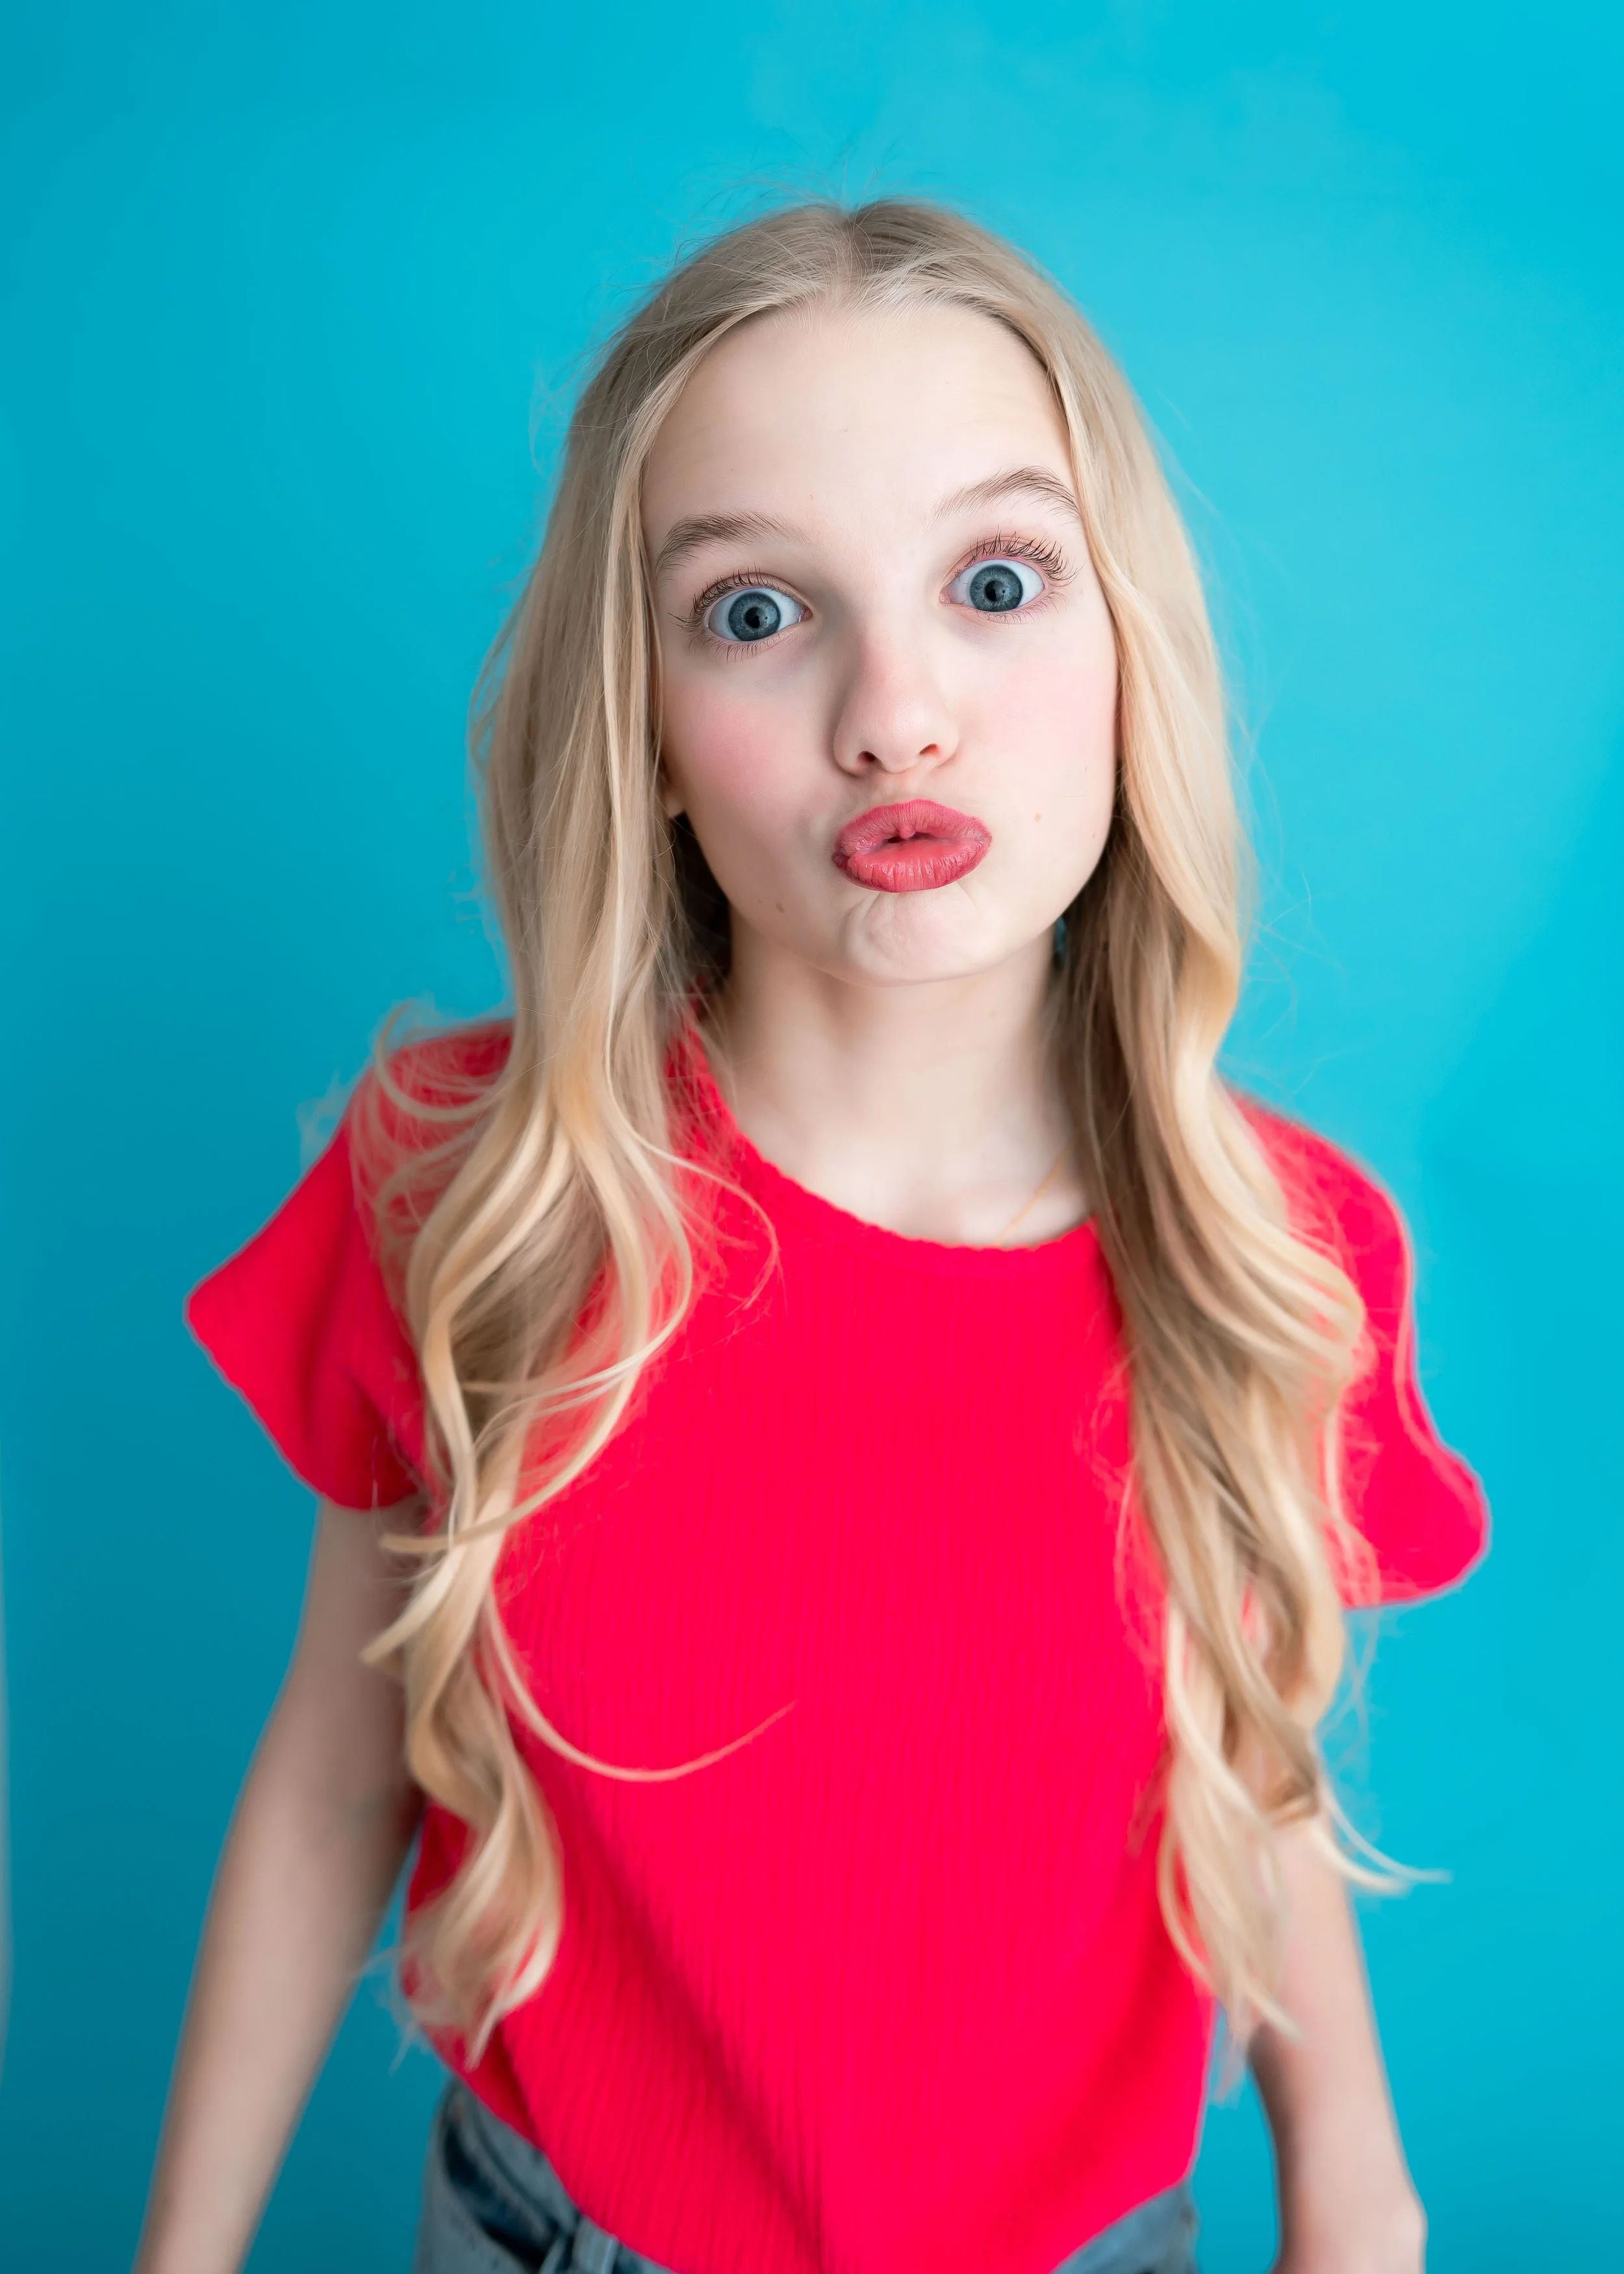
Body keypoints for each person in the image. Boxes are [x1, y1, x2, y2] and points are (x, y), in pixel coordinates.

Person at [135, 199, 1488, 2274]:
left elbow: (1249, 1763)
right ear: (649, 732)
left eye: (996, 581)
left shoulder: (1279, 1251)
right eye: (757, 612)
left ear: (1128, 649)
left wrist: (1357, 2189)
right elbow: (334, 1783)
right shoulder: (462, 1190)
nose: (897, 712)